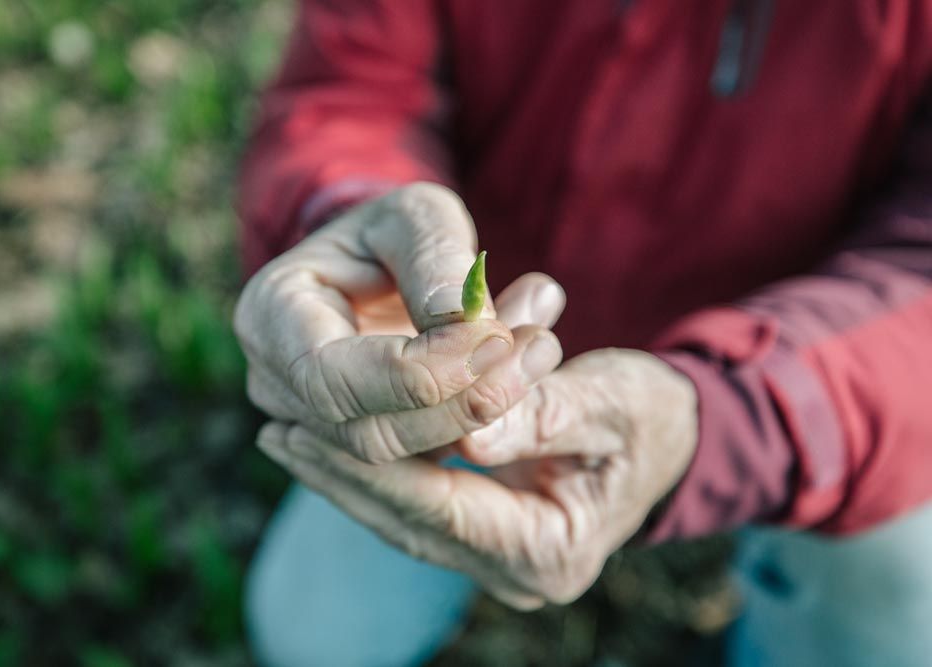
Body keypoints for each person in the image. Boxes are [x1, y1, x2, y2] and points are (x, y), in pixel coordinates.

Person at [233, 2, 932, 665]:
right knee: (313, 630)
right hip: (482, 368)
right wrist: (345, 222)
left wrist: (733, 418)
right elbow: (350, 88)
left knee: (896, 613)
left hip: (813, 365)